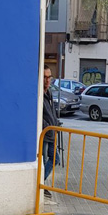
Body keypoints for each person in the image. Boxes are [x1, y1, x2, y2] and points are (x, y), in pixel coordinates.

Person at [42, 66, 60, 203]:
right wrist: (47, 126)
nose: (47, 80)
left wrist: (56, 123)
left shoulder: (49, 93)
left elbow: (51, 112)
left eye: (49, 77)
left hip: (52, 132)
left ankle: (40, 182)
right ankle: (40, 185)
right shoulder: (39, 94)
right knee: (43, 162)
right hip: (44, 134)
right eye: (45, 77)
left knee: (55, 159)